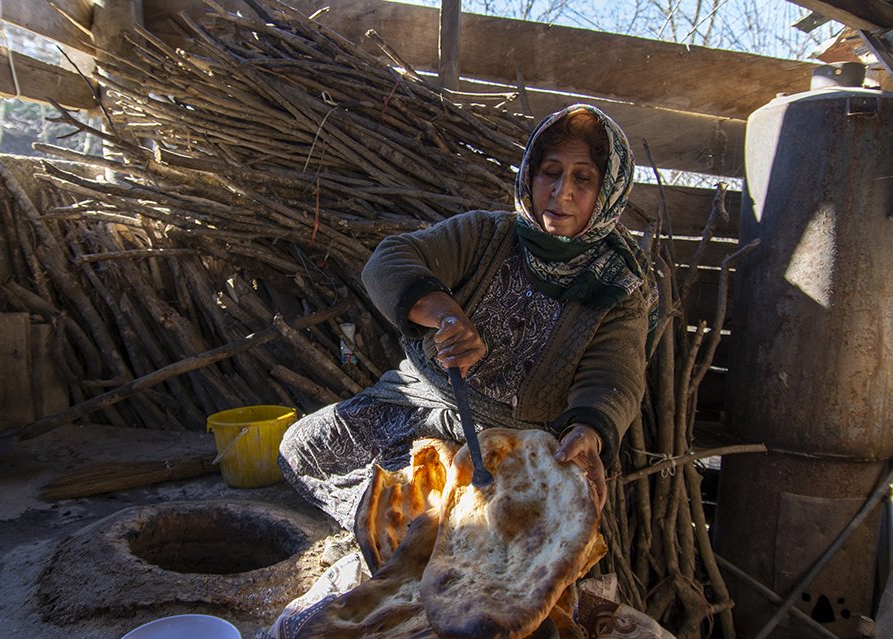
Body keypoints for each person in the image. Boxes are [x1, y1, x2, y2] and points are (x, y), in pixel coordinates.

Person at [277, 103, 655, 529]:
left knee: (505, 520)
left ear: (609, 191)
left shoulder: (616, 289)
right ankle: (395, 531)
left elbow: (613, 378)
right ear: (530, 173)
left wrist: (588, 431)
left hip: (513, 445)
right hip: (415, 407)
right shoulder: (487, 235)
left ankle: (414, 535)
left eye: (583, 178)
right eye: (550, 171)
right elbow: (389, 261)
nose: (561, 191)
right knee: (302, 447)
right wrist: (447, 316)